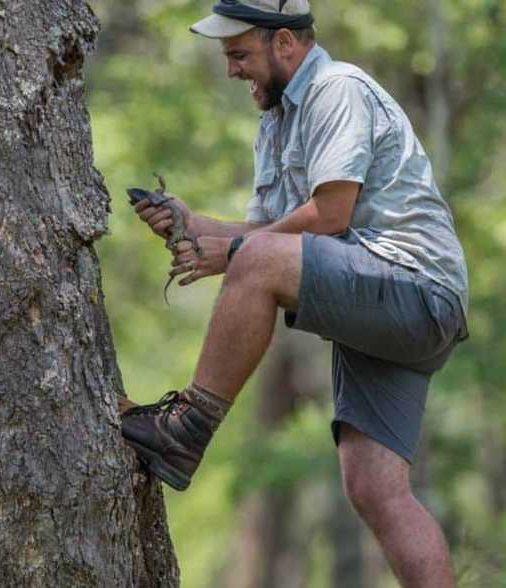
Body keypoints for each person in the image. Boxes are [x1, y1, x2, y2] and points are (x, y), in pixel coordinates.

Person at [118, 2, 468, 586]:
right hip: (384, 302)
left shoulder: (337, 90)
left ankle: (186, 428)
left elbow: (328, 216)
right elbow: (270, 240)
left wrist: (227, 254)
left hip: (415, 288)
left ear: (284, 43)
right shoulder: (276, 123)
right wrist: (194, 222)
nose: (232, 70)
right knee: (375, 488)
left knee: (254, 262)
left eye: (239, 55)